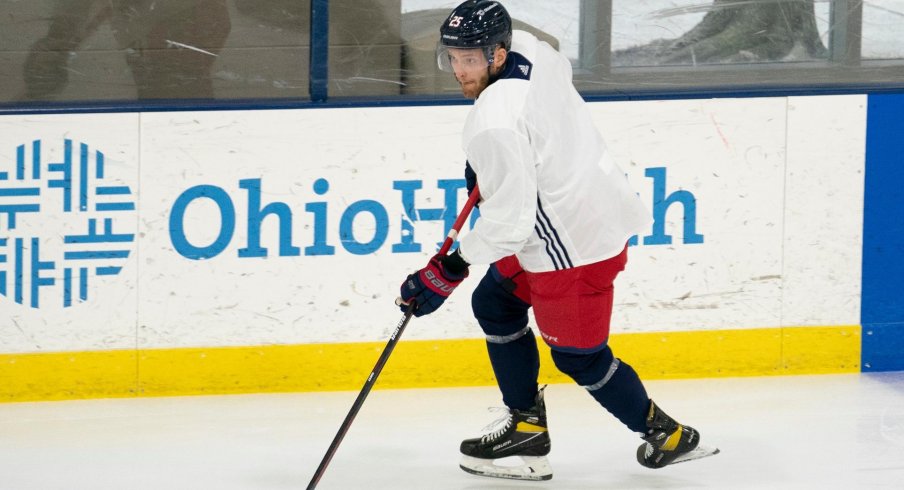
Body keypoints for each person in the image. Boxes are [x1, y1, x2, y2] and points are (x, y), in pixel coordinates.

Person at [399, 0, 709, 481]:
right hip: (585, 203)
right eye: (453, 58)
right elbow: (555, 74)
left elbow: (510, 225)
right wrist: (505, 163)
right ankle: (525, 426)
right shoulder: (533, 49)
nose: (460, 70)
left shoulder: (494, 122)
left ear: (498, 54)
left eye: (471, 59)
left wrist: (449, 269)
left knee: (579, 357)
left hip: (572, 246)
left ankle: (665, 435)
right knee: (496, 304)